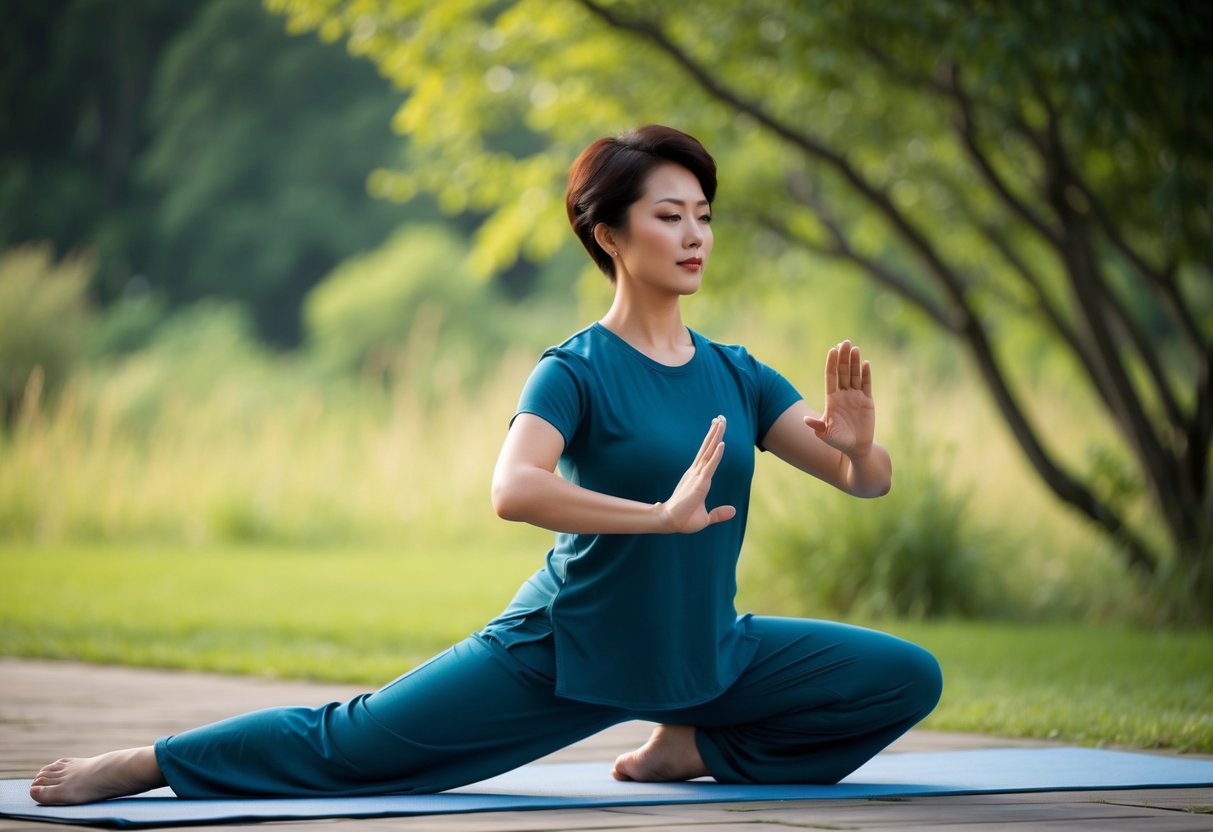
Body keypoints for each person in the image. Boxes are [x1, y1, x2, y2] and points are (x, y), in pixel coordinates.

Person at [29, 125, 941, 806]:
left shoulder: (737, 372)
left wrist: (861, 448)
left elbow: (864, 483)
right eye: (669, 215)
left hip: (706, 651)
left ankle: (688, 748)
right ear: (610, 234)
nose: (695, 233)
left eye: (703, 215)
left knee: (903, 679)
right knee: (354, 748)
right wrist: (655, 517)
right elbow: (514, 489)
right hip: (566, 650)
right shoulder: (574, 369)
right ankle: (149, 761)